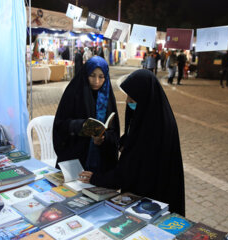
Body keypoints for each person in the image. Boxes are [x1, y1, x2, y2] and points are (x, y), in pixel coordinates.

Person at [79, 69, 185, 216]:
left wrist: (96, 178)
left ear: (144, 98)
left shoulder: (155, 127)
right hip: (149, 191)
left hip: (152, 199)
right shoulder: (153, 113)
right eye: (128, 96)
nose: (128, 101)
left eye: (133, 99)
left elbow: (129, 171)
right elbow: (133, 145)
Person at [53, 56, 120, 175]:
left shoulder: (108, 98)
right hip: (75, 158)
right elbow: (60, 125)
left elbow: (114, 133)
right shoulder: (74, 93)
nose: (97, 81)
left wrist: (103, 139)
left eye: (101, 77)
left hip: (100, 163)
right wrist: (81, 125)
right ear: (85, 74)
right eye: (92, 75)